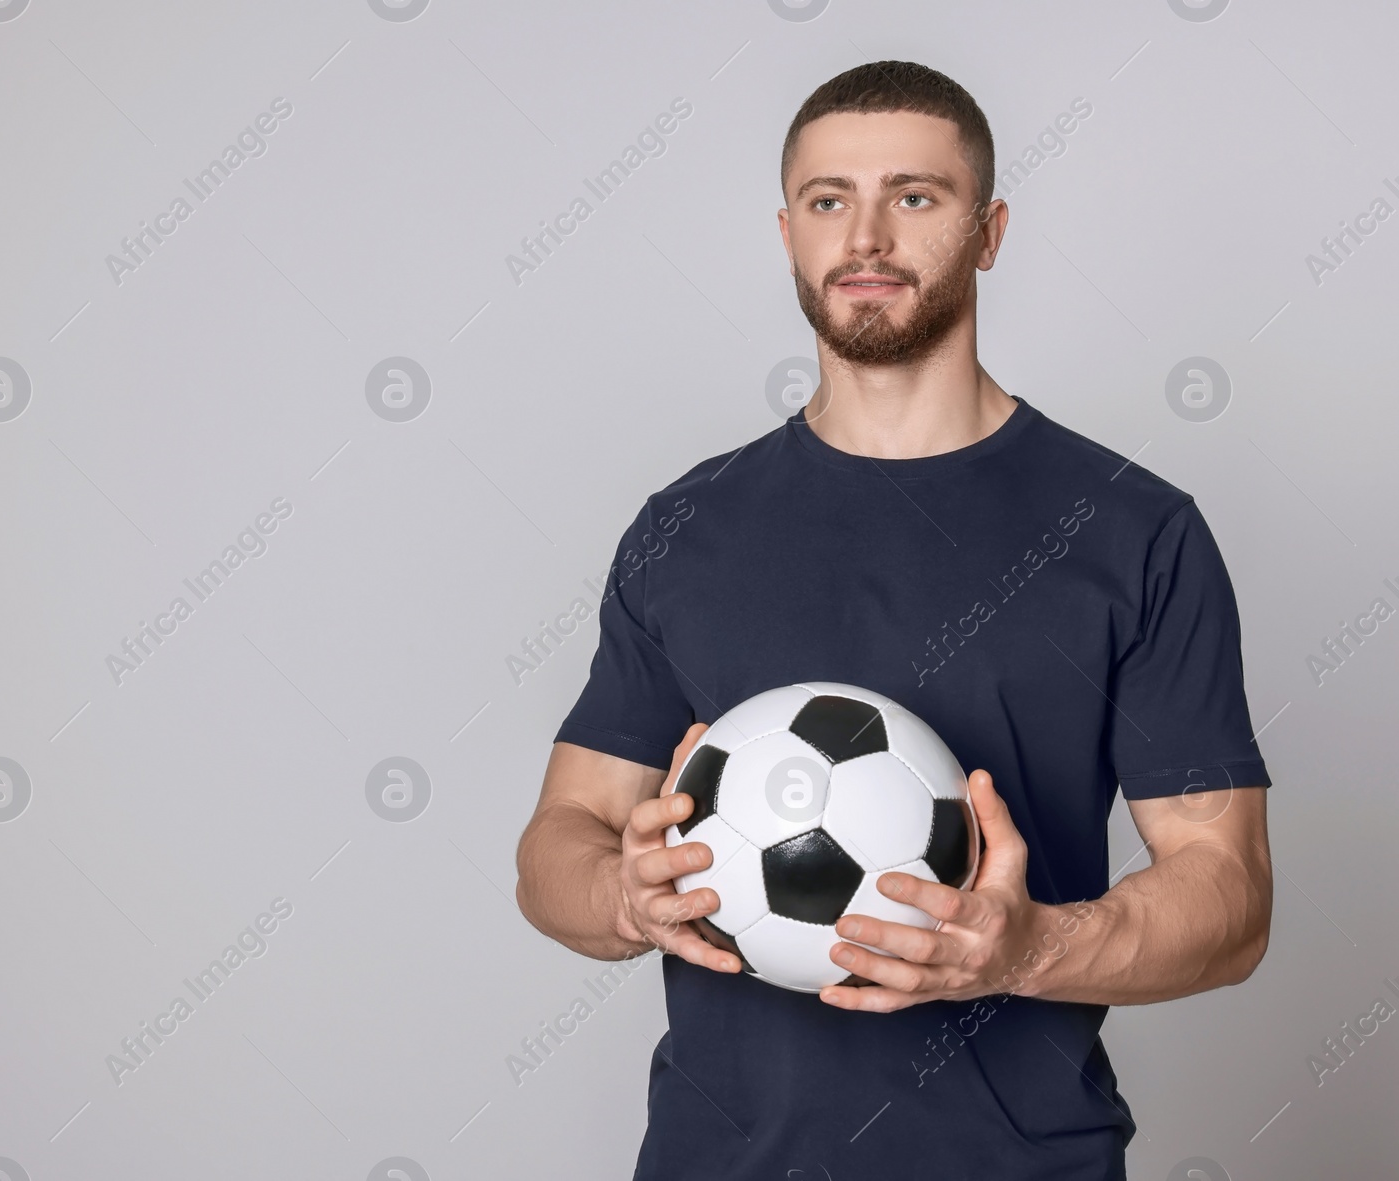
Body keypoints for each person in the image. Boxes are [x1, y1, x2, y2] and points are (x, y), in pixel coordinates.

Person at [513, 60, 1273, 1180]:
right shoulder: (684, 528)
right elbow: (555, 846)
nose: (865, 235)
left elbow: (1229, 891)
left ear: (987, 228)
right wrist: (620, 894)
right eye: (830, 200)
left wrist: (1027, 947)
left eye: (913, 196)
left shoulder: (1132, 532)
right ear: (787, 232)